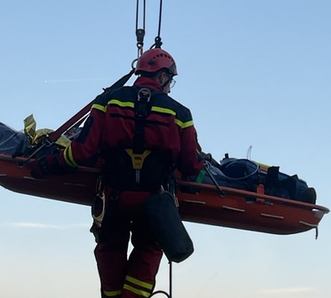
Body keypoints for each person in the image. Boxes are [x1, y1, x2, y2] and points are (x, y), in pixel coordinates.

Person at [32, 48, 203, 298]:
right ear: (163, 76)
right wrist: (199, 178)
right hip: (155, 201)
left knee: (109, 252)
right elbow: (190, 163)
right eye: (170, 80)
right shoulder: (181, 113)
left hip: (113, 196)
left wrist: (49, 164)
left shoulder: (108, 101)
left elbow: (82, 150)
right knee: (148, 252)